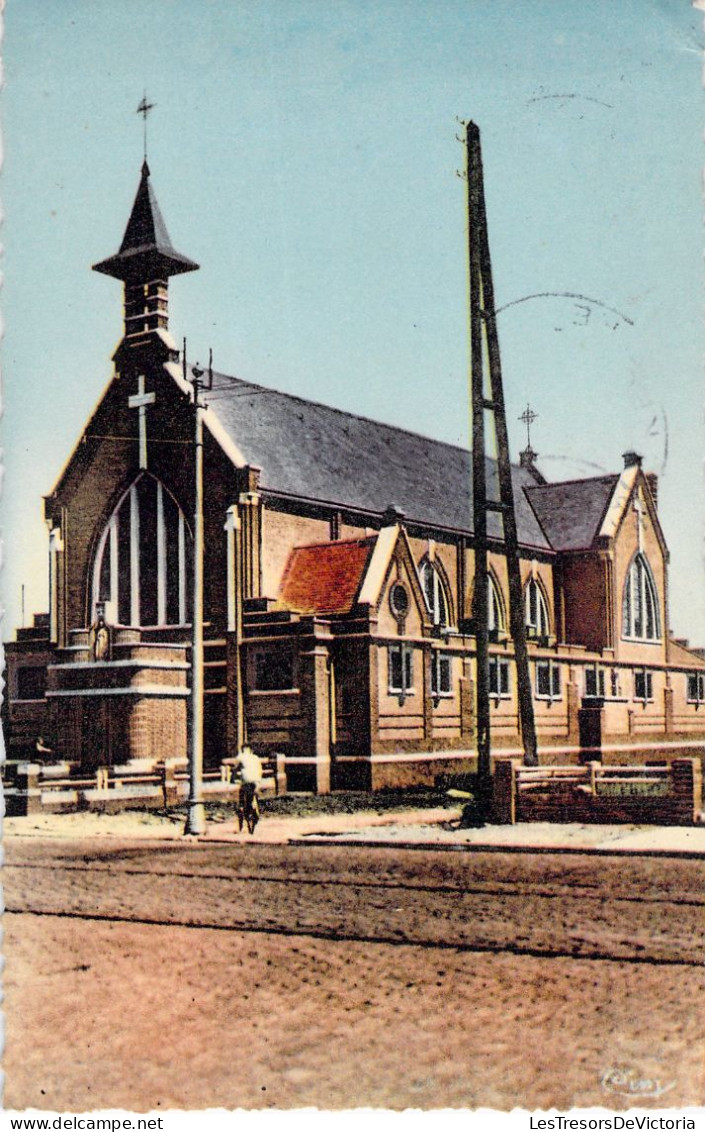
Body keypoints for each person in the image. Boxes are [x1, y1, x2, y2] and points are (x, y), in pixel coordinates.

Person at [233, 745, 264, 831]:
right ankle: (255, 811)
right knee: (254, 797)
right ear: (251, 750)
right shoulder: (256, 758)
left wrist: (233, 778)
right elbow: (260, 770)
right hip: (256, 781)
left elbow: (235, 769)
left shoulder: (241, 757)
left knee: (242, 800)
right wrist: (258, 781)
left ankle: (243, 811)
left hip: (246, 781)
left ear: (243, 750)